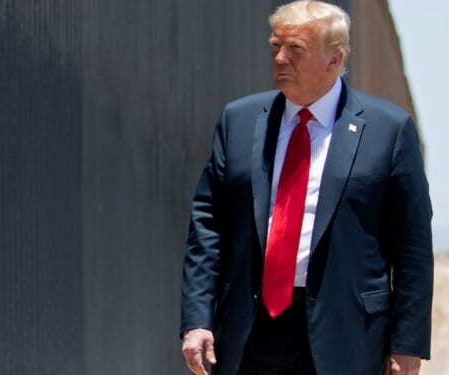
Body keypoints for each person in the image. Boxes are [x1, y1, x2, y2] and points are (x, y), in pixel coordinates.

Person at [179, 1, 433, 374]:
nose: (280, 58)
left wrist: (407, 343)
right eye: (275, 46)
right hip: (250, 332)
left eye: (296, 48)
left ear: (335, 59)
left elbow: (412, 246)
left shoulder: (388, 130)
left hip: (346, 336)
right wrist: (197, 319)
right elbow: (207, 227)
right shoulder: (239, 121)